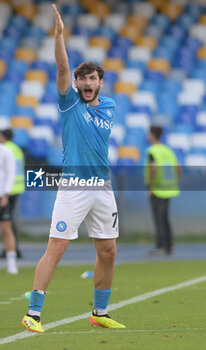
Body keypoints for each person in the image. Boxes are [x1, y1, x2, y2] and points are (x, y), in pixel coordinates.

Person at [22, 4, 125, 333]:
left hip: (102, 187)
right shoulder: (69, 104)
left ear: (100, 82)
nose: (85, 82)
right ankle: (33, 314)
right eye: (81, 79)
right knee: (57, 247)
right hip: (75, 186)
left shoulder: (108, 105)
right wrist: (60, 35)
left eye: (91, 78)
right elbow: (63, 68)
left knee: (108, 250)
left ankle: (99, 311)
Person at [145, 126, 180, 256]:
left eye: (149, 134)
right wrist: (175, 180)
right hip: (169, 187)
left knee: (158, 218)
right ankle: (169, 245)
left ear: (153, 135)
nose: (147, 136)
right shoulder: (167, 150)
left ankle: (161, 246)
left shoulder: (152, 150)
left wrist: (150, 186)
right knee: (165, 218)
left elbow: (153, 168)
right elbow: (178, 166)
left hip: (158, 189)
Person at [0, 129, 25, 259]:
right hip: (17, 187)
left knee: (7, 222)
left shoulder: (6, 149)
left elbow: (8, 171)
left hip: (9, 189)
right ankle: (13, 248)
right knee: (9, 221)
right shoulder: (16, 148)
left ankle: (12, 249)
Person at [0, 143, 18, 274]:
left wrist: (6, 194)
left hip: (2, 196)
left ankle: (12, 264)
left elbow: (11, 173)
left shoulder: (6, 151)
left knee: (6, 228)